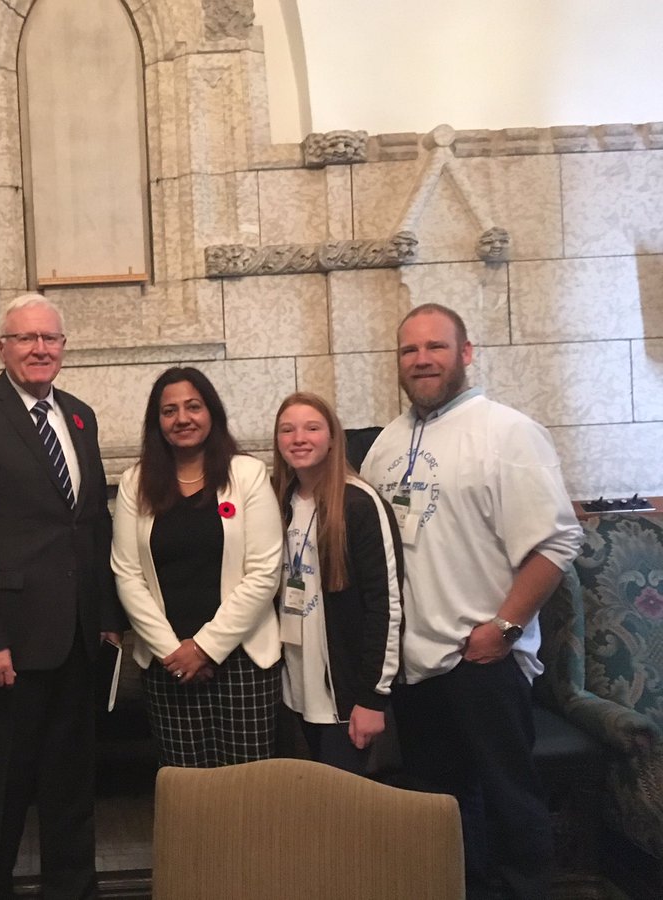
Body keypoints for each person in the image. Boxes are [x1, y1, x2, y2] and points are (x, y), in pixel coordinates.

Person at [360, 303, 582, 900]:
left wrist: (504, 628)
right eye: (410, 350)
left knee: (510, 801)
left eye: (435, 347)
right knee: (444, 812)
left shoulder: (507, 432)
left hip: (480, 658)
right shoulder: (386, 443)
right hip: (415, 666)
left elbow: (559, 540)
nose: (422, 359)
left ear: (466, 352)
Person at [0, 293, 124, 900]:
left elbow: (92, 521)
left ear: (63, 349)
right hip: (8, 648)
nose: (40, 349)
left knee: (71, 789)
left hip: (74, 640)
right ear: (2, 347)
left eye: (51, 339)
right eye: (26, 339)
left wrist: (104, 615)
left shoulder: (79, 416)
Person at [111, 366, 284, 767]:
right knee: (187, 793)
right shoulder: (135, 483)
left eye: (193, 406)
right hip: (167, 663)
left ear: (212, 413)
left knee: (249, 789)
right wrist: (175, 652)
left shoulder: (248, 474)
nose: (182, 418)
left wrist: (205, 648)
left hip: (243, 661)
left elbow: (264, 573)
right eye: (169, 410)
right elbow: (127, 575)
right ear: (157, 423)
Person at [271, 392, 403, 775]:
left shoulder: (359, 503)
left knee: (351, 812)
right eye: (287, 429)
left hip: (347, 695)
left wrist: (372, 697)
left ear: (332, 437)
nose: (299, 438)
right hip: (297, 687)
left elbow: (387, 604)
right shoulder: (280, 500)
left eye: (312, 428)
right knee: (316, 808)